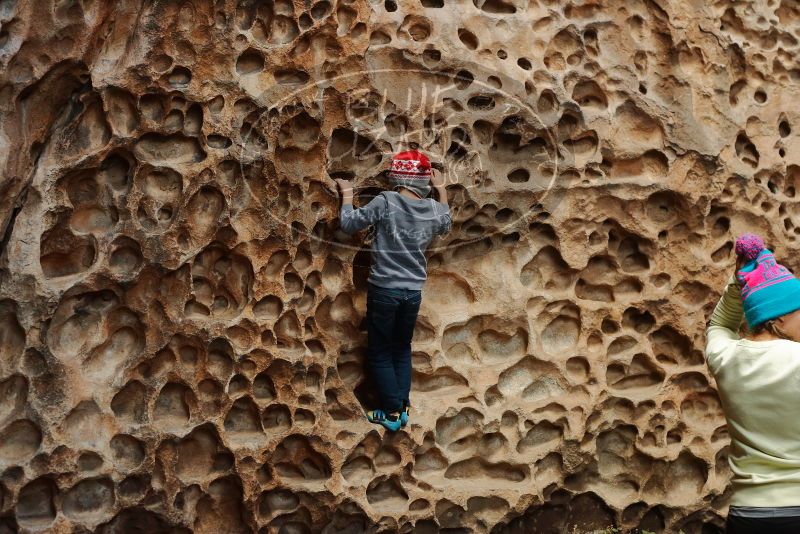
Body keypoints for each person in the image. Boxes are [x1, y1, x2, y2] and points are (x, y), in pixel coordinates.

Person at [334, 150, 452, 431]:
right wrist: (443, 191)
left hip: (385, 289)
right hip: (413, 293)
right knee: (401, 348)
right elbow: (446, 226)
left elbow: (349, 224)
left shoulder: (386, 201)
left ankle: (390, 414)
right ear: (425, 182)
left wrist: (348, 194)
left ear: (397, 178)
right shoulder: (435, 209)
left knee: (379, 352)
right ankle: (402, 408)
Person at [705, 233, 800, 533]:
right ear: (780, 319)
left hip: (747, 515)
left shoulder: (724, 357)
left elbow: (719, 324)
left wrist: (739, 283)